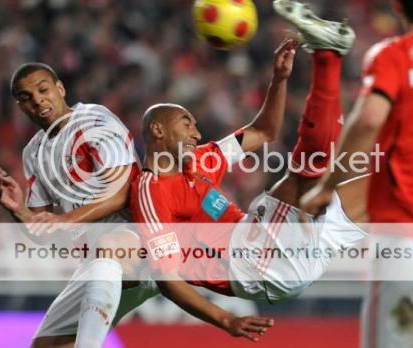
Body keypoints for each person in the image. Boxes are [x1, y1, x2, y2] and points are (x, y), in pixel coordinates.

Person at [130, 3, 367, 340]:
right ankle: (327, 55)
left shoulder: (200, 160)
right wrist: (225, 319)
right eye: (186, 124)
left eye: (196, 126)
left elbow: (262, 132)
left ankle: (329, 53)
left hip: (266, 243)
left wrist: (279, 80)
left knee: (383, 187)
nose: (197, 134)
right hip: (254, 264)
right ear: (157, 130)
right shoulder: (152, 190)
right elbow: (166, 276)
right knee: (308, 176)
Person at [299, 0, 413, 347]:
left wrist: (326, 185)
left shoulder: (396, 55)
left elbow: (368, 119)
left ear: (399, 7)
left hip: (412, 241)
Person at [0, 62, 157, 348]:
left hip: (139, 238)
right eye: (26, 97)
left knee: (109, 244)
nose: (38, 100)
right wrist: (18, 210)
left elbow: (120, 195)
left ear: (60, 88)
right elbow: (46, 236)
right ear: (20, 106)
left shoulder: (94, 120)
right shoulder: (33, 153)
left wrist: (64, 220)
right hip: (97, 266)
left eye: (43, 90)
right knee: (45, 345)